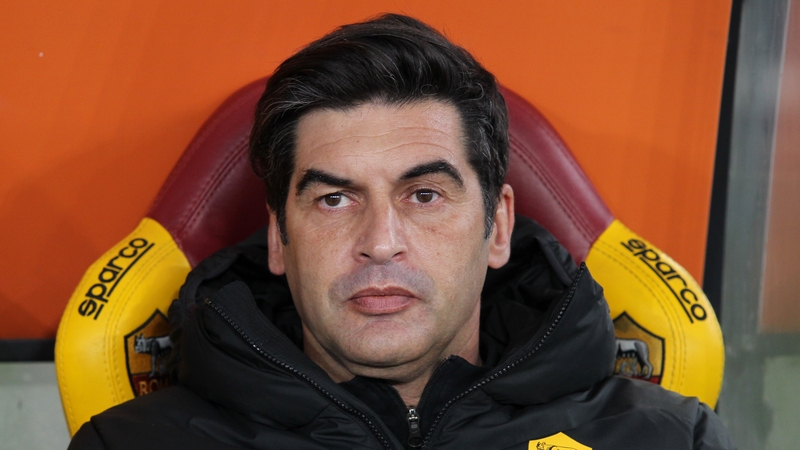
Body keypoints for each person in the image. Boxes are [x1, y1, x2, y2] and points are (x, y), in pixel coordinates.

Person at [69, 13, 734, 450]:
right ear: (278, 238)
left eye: (423, 195)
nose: (380, 240)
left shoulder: (670, 440)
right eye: (333, 199)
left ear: (497, 226)